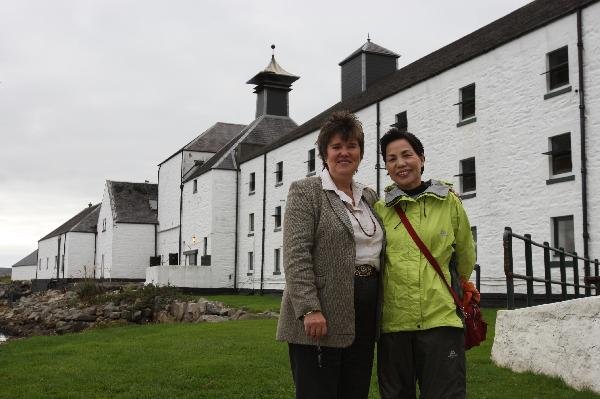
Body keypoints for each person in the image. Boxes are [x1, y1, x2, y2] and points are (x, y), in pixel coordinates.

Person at [276, 110, 385, 399]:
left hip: (364, 312)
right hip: (321, 313)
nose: (344, 153)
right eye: (336, 147)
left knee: (355, 391)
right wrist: (310, 309)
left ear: (361, 152)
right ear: (325, 153)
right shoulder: (306, 192)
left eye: (352, 146)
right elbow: (296, 254)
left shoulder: (370, 197)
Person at [374, 128, 476, 399]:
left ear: (421, 158)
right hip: (394, 326)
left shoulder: (450, 204)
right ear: (386, 167)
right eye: (392, 158)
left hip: (440, 322)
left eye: (407, 155)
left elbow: (466, 257)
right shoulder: (380, 210)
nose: (400, 163)